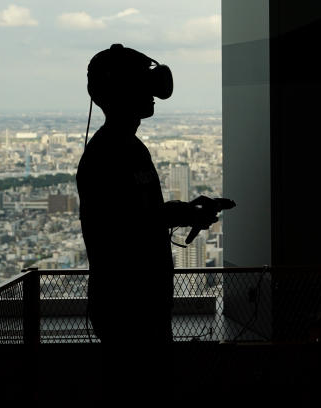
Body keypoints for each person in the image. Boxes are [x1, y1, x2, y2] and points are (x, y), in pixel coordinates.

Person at [76, 43, 233, 400]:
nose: (153, 94)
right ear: (120, 91)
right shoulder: (107, 154)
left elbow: (141, 212)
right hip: (127, 307)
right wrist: (179, 214)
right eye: (141, 84)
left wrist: (181, 210)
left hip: (142, 303)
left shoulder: (128, 148)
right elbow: (125, 225)